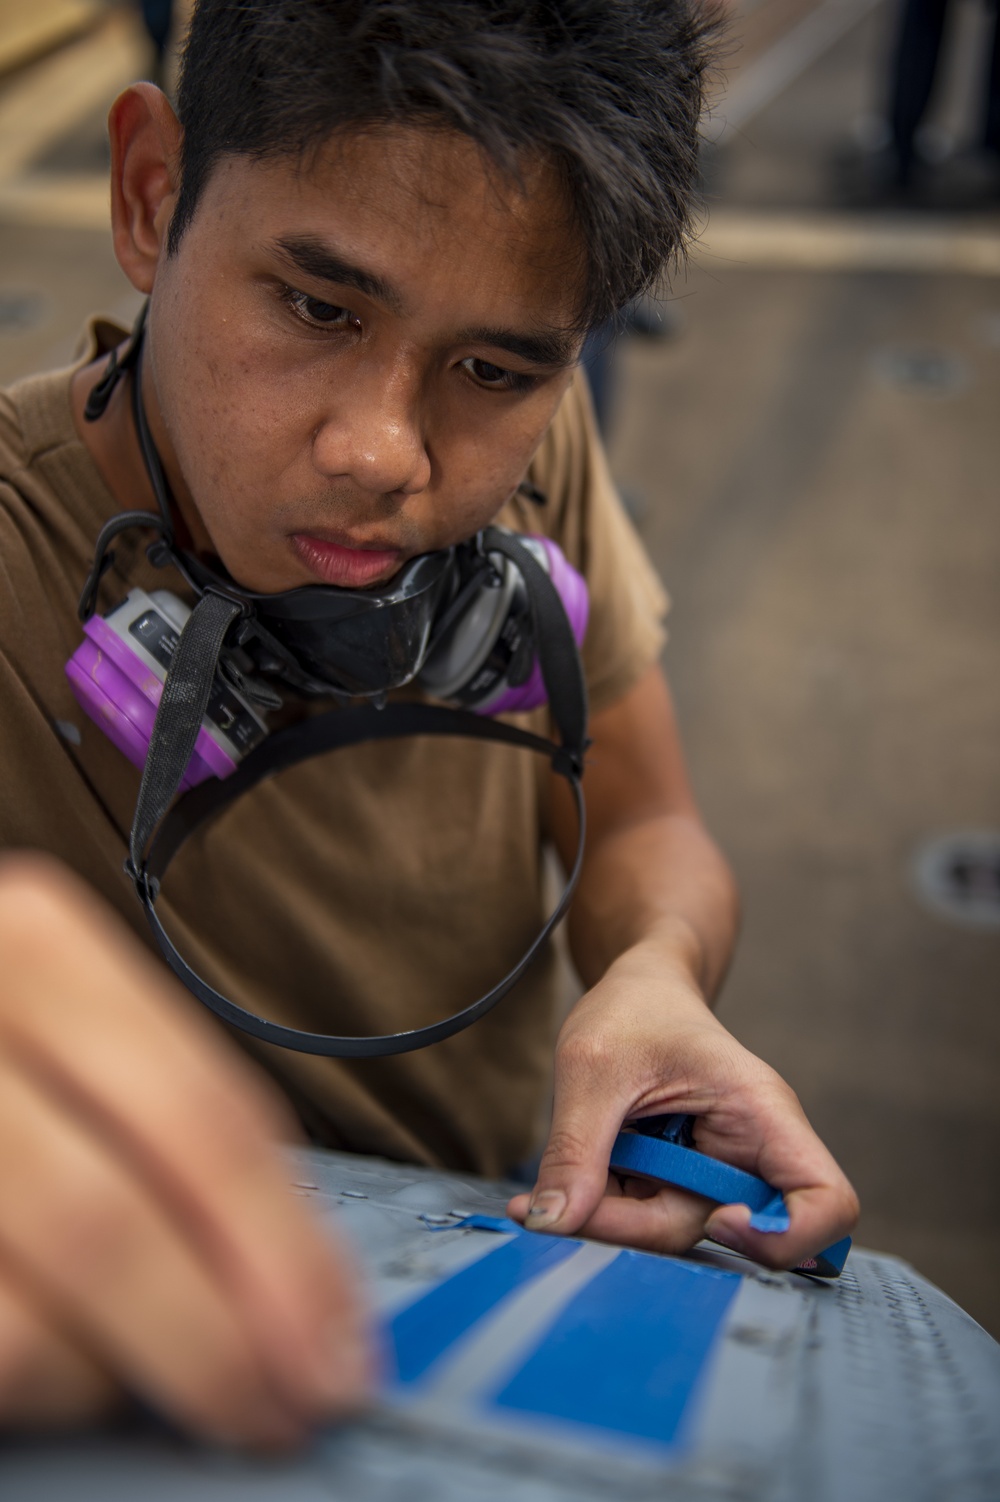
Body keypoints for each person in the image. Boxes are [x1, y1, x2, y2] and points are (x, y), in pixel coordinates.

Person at [0, 0, 858, 1447]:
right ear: (152, 195)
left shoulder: (536, 452)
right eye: (320, 308)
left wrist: (656, 970)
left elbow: (648, 818)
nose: (385, 453)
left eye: (497, 370)